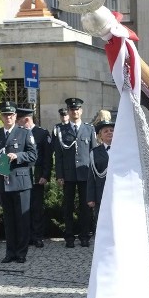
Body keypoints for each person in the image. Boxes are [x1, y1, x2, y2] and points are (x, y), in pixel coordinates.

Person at [0, 101, 37, 263]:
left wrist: (18, 156)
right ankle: (10, 252)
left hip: (21, 181)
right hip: (3, 180)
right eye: (5, 115)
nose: (8, 117)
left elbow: (33, 155)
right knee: (9, 220)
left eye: (11, 115)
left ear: (15, 116)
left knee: (22, 219)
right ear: (1, 116)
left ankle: (21, 252)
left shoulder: (24, 133)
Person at [54, 97, 96, 248]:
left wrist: (94, 174)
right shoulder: (61, 130)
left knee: (86, 207)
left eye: (77, 109)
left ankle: (85, 236)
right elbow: (58, 155)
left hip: (85, 174)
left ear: (81, 111)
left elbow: (93, 153)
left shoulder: (89, 129)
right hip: (68, 174)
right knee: (68, 207)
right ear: (69, 111)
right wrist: (59, 175)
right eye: (72, 109)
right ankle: (69, 237)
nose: (74, 111)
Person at [15, 106, 52, 248]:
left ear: (26, 119)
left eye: (18, 119)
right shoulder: (18, 133)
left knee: (37, 207)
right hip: (22, 176)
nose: (17, 122)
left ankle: (37, 236)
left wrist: (45, 175)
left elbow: (48, 157)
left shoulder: (41, 133)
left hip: (37, 176)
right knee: (23, 208)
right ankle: (26, 236)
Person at [87, 120, 113, 224]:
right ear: (100, 136)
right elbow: (91, 176)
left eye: (112, 130)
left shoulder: (122, 150)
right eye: (106, 131)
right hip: (101, 193)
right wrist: (90, 197)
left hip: (119, 191)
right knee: (102, 221)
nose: (109, 132)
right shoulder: (95, 152)